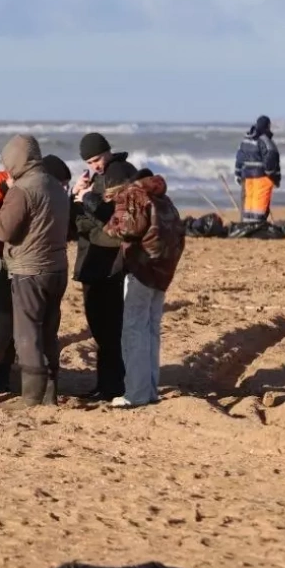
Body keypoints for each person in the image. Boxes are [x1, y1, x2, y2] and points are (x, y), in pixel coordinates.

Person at [0, 154, 72, 402]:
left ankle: (16, 378)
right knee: (4, 320)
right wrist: (5, 185)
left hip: (32, 263)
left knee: (33, 324)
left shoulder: (42, 187)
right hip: (6, 261)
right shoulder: (2, 179)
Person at [104, 168, 185, 408]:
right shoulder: (163, 198)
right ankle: (149, 389)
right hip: (163, 270)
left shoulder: (133, 195)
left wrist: (108, 227)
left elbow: (129, 228)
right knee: (150, 330)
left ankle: (136, 393)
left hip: (142, 268)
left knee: (134, 330)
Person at [71, 132, 137, 400]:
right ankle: (106, 383)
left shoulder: (120, 172)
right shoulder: (100, 176)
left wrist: (86, 199)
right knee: (100, 327)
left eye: (97, 158)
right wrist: (77, 194)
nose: (95, 165)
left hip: (111, 261)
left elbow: (116, 219)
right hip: (95, 259)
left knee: (109, 328)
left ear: (107, 151)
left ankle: (113, 385)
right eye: (89, 161)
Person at [233, 116, 281, 223]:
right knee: (260, 204)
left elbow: (239, 158)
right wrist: (274, 177)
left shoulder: (245, 140)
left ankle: (245, 223)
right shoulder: (266, 141)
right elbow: (271, 160)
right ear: (268, 126)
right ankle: (258, 224)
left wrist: (237, 174)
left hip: (247, 177)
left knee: (248, 203)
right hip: (261, 177)